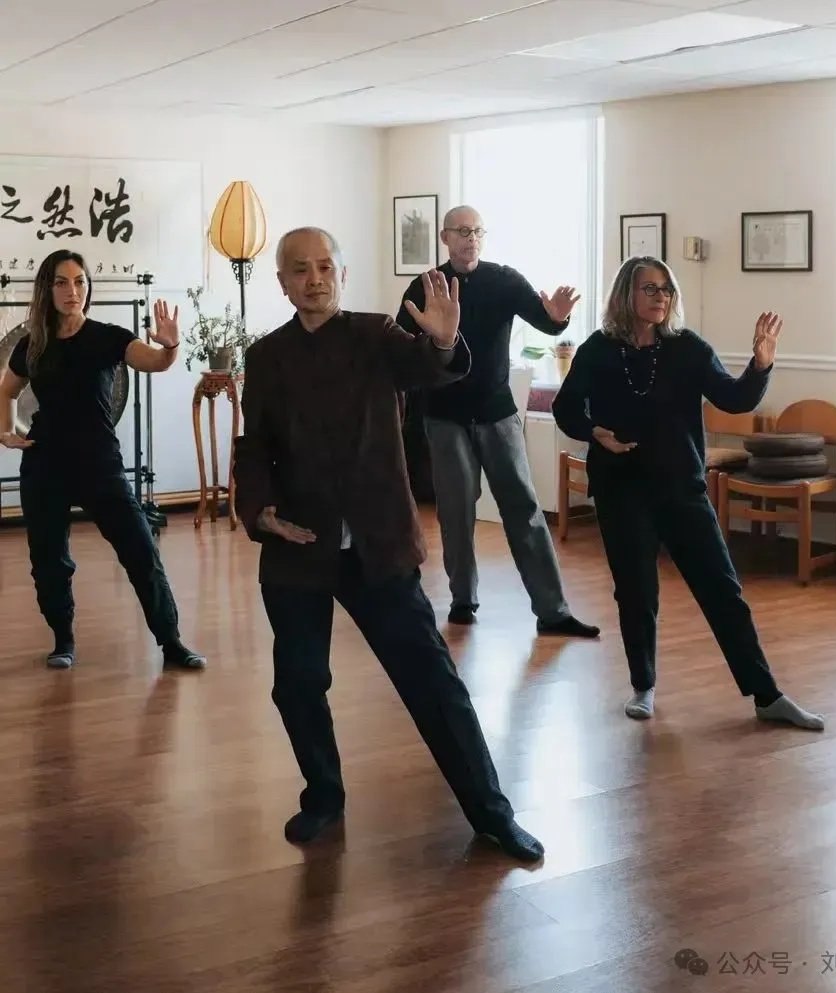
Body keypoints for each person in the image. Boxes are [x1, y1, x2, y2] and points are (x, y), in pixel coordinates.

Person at [232, 226, 544, 861]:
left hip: (378, 545)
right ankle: (323, 795)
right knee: (298, 682)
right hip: (298, 546)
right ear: (283, 282)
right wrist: (260, 511)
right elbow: (255, 444)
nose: (313, 278)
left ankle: (490, 813)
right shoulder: (266, 357)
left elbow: (434, 369)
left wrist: (447, 338)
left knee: (432, 681)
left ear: (342, 275)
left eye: (324, 266)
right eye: (300, 269)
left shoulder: (377, 335)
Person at [551, 255, 824, 731]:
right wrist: (596, 432)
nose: (661, 298)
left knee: (723, 590)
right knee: (636, 592)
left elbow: (735, 399)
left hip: (680, 486)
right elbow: (566, 407)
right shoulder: (599, 349)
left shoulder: (688, 349)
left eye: (666, 290)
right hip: (621, 487)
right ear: (626, 295)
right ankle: (644, 686)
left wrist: (761, 364)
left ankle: (767, 694)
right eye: (650, 289)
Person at [397, 205, 599, 636]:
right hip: (445, 417)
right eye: (463, 231)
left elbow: (544, 319)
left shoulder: (504, 279)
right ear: (445, 238)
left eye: (478, 232)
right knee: (455, 511)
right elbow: (403, 350)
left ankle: (553, 610)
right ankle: (463, 599)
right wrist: (432, 337)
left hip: (498, 414)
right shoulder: (425, 286)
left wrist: (558, 315)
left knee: (524, 509)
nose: (471, 239)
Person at [0, 249, 205, 671]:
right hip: (45, 465)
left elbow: (154, 362)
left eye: (79, 281)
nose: (72, 290)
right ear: (47, 289)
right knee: (49, 560)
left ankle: (170, 643)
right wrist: (6, 432)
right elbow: (7, 391)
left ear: (88, 288)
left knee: (140, 551)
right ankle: (63, 640)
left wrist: (170, 347)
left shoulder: (108, 337)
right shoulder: (32, 344)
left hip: (99, 465)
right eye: (61, 282)